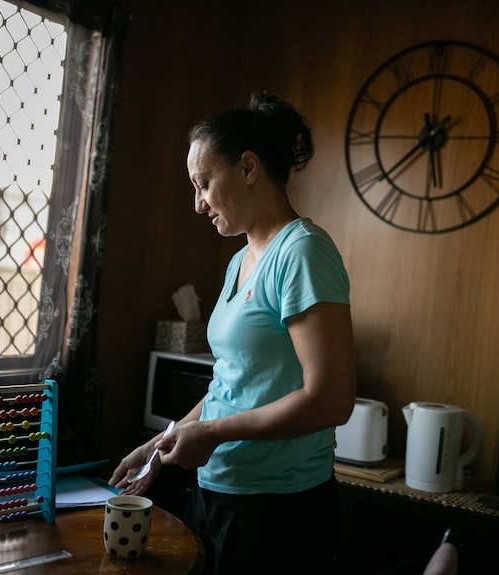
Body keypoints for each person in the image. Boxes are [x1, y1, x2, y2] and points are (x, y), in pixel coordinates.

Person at [109, 91, 357, 574]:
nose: (198, 204)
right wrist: (165, 442)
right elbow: (232, 384)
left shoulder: (303, 253)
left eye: (203, 183)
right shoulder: (239, 261)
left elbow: (331, 400)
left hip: (277, 509)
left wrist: (214, 434)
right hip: (217, 490)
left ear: (247, 168)